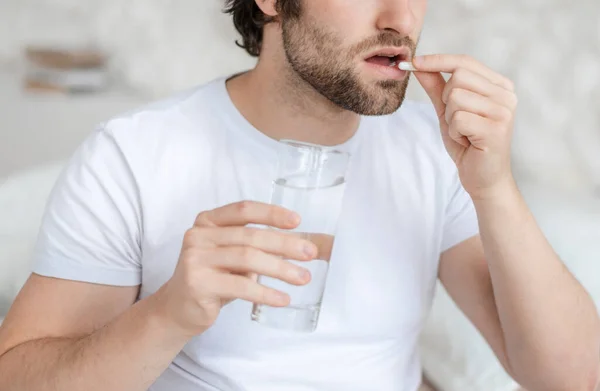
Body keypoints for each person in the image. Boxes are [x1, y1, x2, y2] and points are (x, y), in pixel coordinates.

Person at [0, 1, 598, 390]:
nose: (402, 17)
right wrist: (168, 314)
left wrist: (493, 187)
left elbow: (573, 378)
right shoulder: (132, 155)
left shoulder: (435, 150)